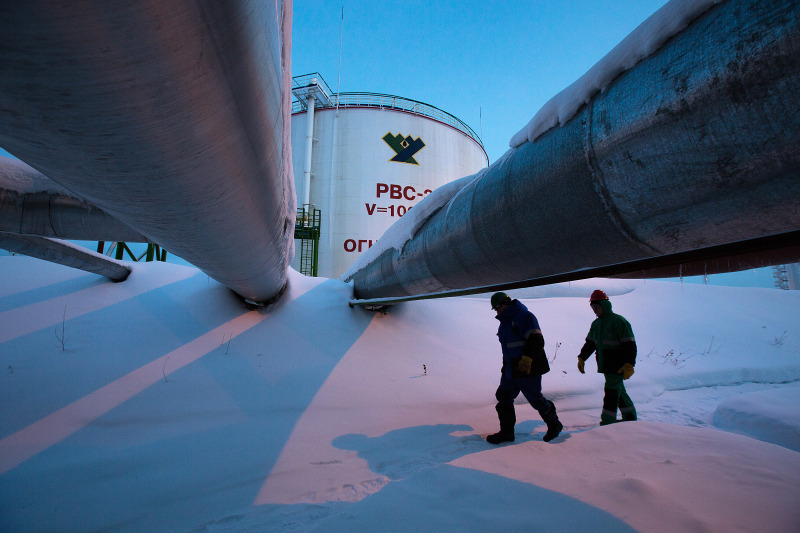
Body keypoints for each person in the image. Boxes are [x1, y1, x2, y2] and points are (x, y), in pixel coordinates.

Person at [486, 292, 562, 444]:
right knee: (503, 396)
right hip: (510, 369)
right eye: (495, 309)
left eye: (498, 307)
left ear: (506, 302)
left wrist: (527, 359)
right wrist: (505, 368)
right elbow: (508, 349)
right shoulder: (505, 322)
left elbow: (537, 340)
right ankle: (506, 433)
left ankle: (554, 424)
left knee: (535, 399)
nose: (497, 310)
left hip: (528, 368)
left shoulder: (524, 316)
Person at [577, 289, 637, 425]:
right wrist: (582, 358)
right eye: (592, 307)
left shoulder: (619, 322)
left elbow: (630, 345)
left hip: (618, 364)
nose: (594, 310)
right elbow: (590, 343)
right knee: (618, 391)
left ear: (604, 305)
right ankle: (630, 416)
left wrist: (629, 364)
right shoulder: (596, 324)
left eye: (596, 307)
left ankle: (607, 421)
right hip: (606, 364)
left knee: (611, 393)